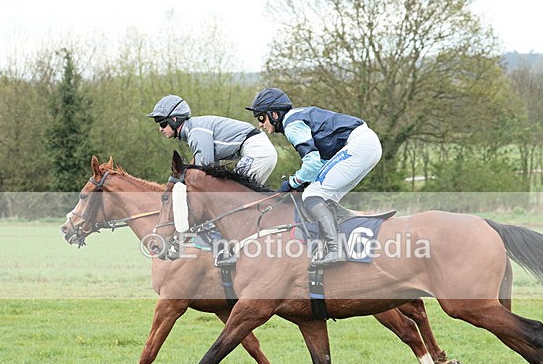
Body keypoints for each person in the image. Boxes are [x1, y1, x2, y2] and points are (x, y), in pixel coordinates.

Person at [246, 88, 382, 267]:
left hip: (360, 145)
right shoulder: (297, 117)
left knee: (312, 195)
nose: (260, 124)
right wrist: (302, 182)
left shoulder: (292, 125)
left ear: (274, 114)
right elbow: (321, 164)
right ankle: (334, 244)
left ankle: (335, 250)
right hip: (366, 145)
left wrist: (292, 183)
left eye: (261, 118)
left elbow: (313, 164)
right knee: (325, 198)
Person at [149, 95, 278, 183]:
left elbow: (203, 173)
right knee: (242, 199)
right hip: (259, 150)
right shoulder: (194, 129)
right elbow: (212, 169)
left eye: (162, 123)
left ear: (174, 119)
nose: (160, 129)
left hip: (257, 151)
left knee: (230, 193)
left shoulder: (195, 132)